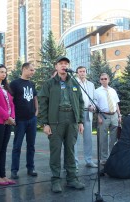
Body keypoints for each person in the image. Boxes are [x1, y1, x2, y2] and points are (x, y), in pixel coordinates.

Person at [38, 56, 85, 193]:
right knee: (55, 151)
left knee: (70, 150)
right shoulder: (49, 84)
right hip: (55, 121)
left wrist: (80, 121)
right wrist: (45, 123)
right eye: (61, 64)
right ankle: (56, 180)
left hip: (72, 120)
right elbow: (42, 104)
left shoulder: (74, 83)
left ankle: (72, 179)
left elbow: (81, 103)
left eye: (66, 64)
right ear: (56, 67)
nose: (64, 66)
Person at [10, 62, 38, 179]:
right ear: (24, 69)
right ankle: (14, 170)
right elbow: (10, 101)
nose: (33, 72)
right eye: (31, 70)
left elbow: (35, 98)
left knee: (31, 145)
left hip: (32, 119)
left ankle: (30, 168)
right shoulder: (15, 83)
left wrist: (36, 112)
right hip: (20, 120)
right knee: (17, 146)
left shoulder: (32, 84)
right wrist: (12, 116)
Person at [94, 73, 121, 165]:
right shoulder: (97, 91)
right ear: (100, 80)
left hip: (114, 116)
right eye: (102, 79)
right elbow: (95, 106)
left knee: (114, 139)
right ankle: (104, 159)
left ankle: (112, 156)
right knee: (103, 139)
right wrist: (98, 117)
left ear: (108, 80)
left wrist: (119, 115)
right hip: (103, 116)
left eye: (105, 79)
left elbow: (116, 104)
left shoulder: (113, 90)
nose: (104, 80)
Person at [74, 66, 97, 169]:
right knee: (75, 139)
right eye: (80, 71)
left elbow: (94, 99)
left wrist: (94, 106)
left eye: (84, 71)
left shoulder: (91, 84)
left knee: (88, 139)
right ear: (77, 73)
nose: (82, 73)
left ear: (86, 72)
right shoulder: (73, 82)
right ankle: (75, 163)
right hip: (77, 113)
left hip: (88, 113)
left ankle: (89, 160)